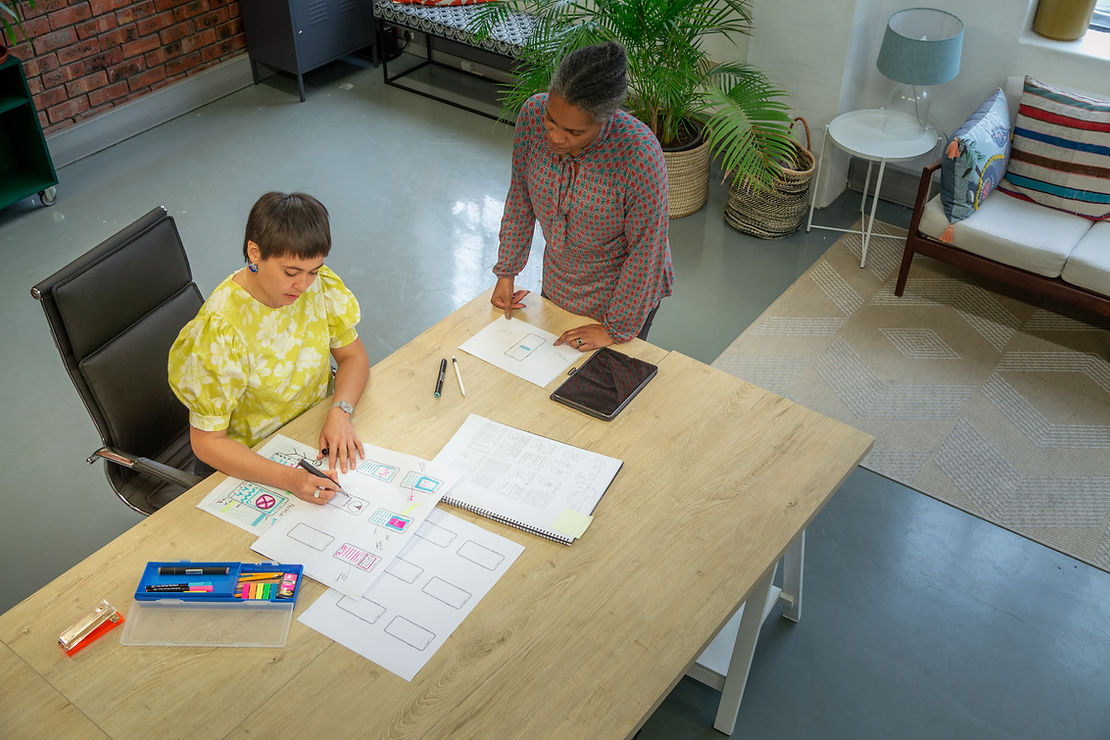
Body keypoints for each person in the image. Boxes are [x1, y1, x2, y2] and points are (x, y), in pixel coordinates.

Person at [168, 192, 370, 505]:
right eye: (290, 273)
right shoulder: (221, 329)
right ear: (255, 253)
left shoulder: (318, 286)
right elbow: (207, 444)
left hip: (307, 435)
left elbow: (353, 356)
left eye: (313, 271)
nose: (303, 286)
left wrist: (340, 411)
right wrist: (291, 480)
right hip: (250, 462)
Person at [491, 41, 674, 351]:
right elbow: (521, 197)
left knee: (601, 389)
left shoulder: (638, 155)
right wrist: (507, 271)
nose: (555, 137)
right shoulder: (532, 116)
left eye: (574, 133)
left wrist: (615, 329)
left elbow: (647, 249)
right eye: (552, 120)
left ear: (604, 120)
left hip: (622, 298)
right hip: (559, 285)